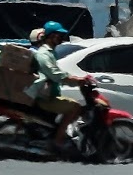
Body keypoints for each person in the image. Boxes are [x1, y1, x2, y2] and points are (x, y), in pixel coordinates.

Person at [25, 20, 87, 154]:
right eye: (57, 36)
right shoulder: (43, 54)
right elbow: (55, 74)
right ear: (50, 36)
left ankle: (59, 133)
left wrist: (74, 79)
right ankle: (58, 141)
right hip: (45, 98)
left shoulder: (51, 53)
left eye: (60, 36)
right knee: (75, 107)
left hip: (50, 94)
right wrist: (76, 80)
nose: (60, 38)